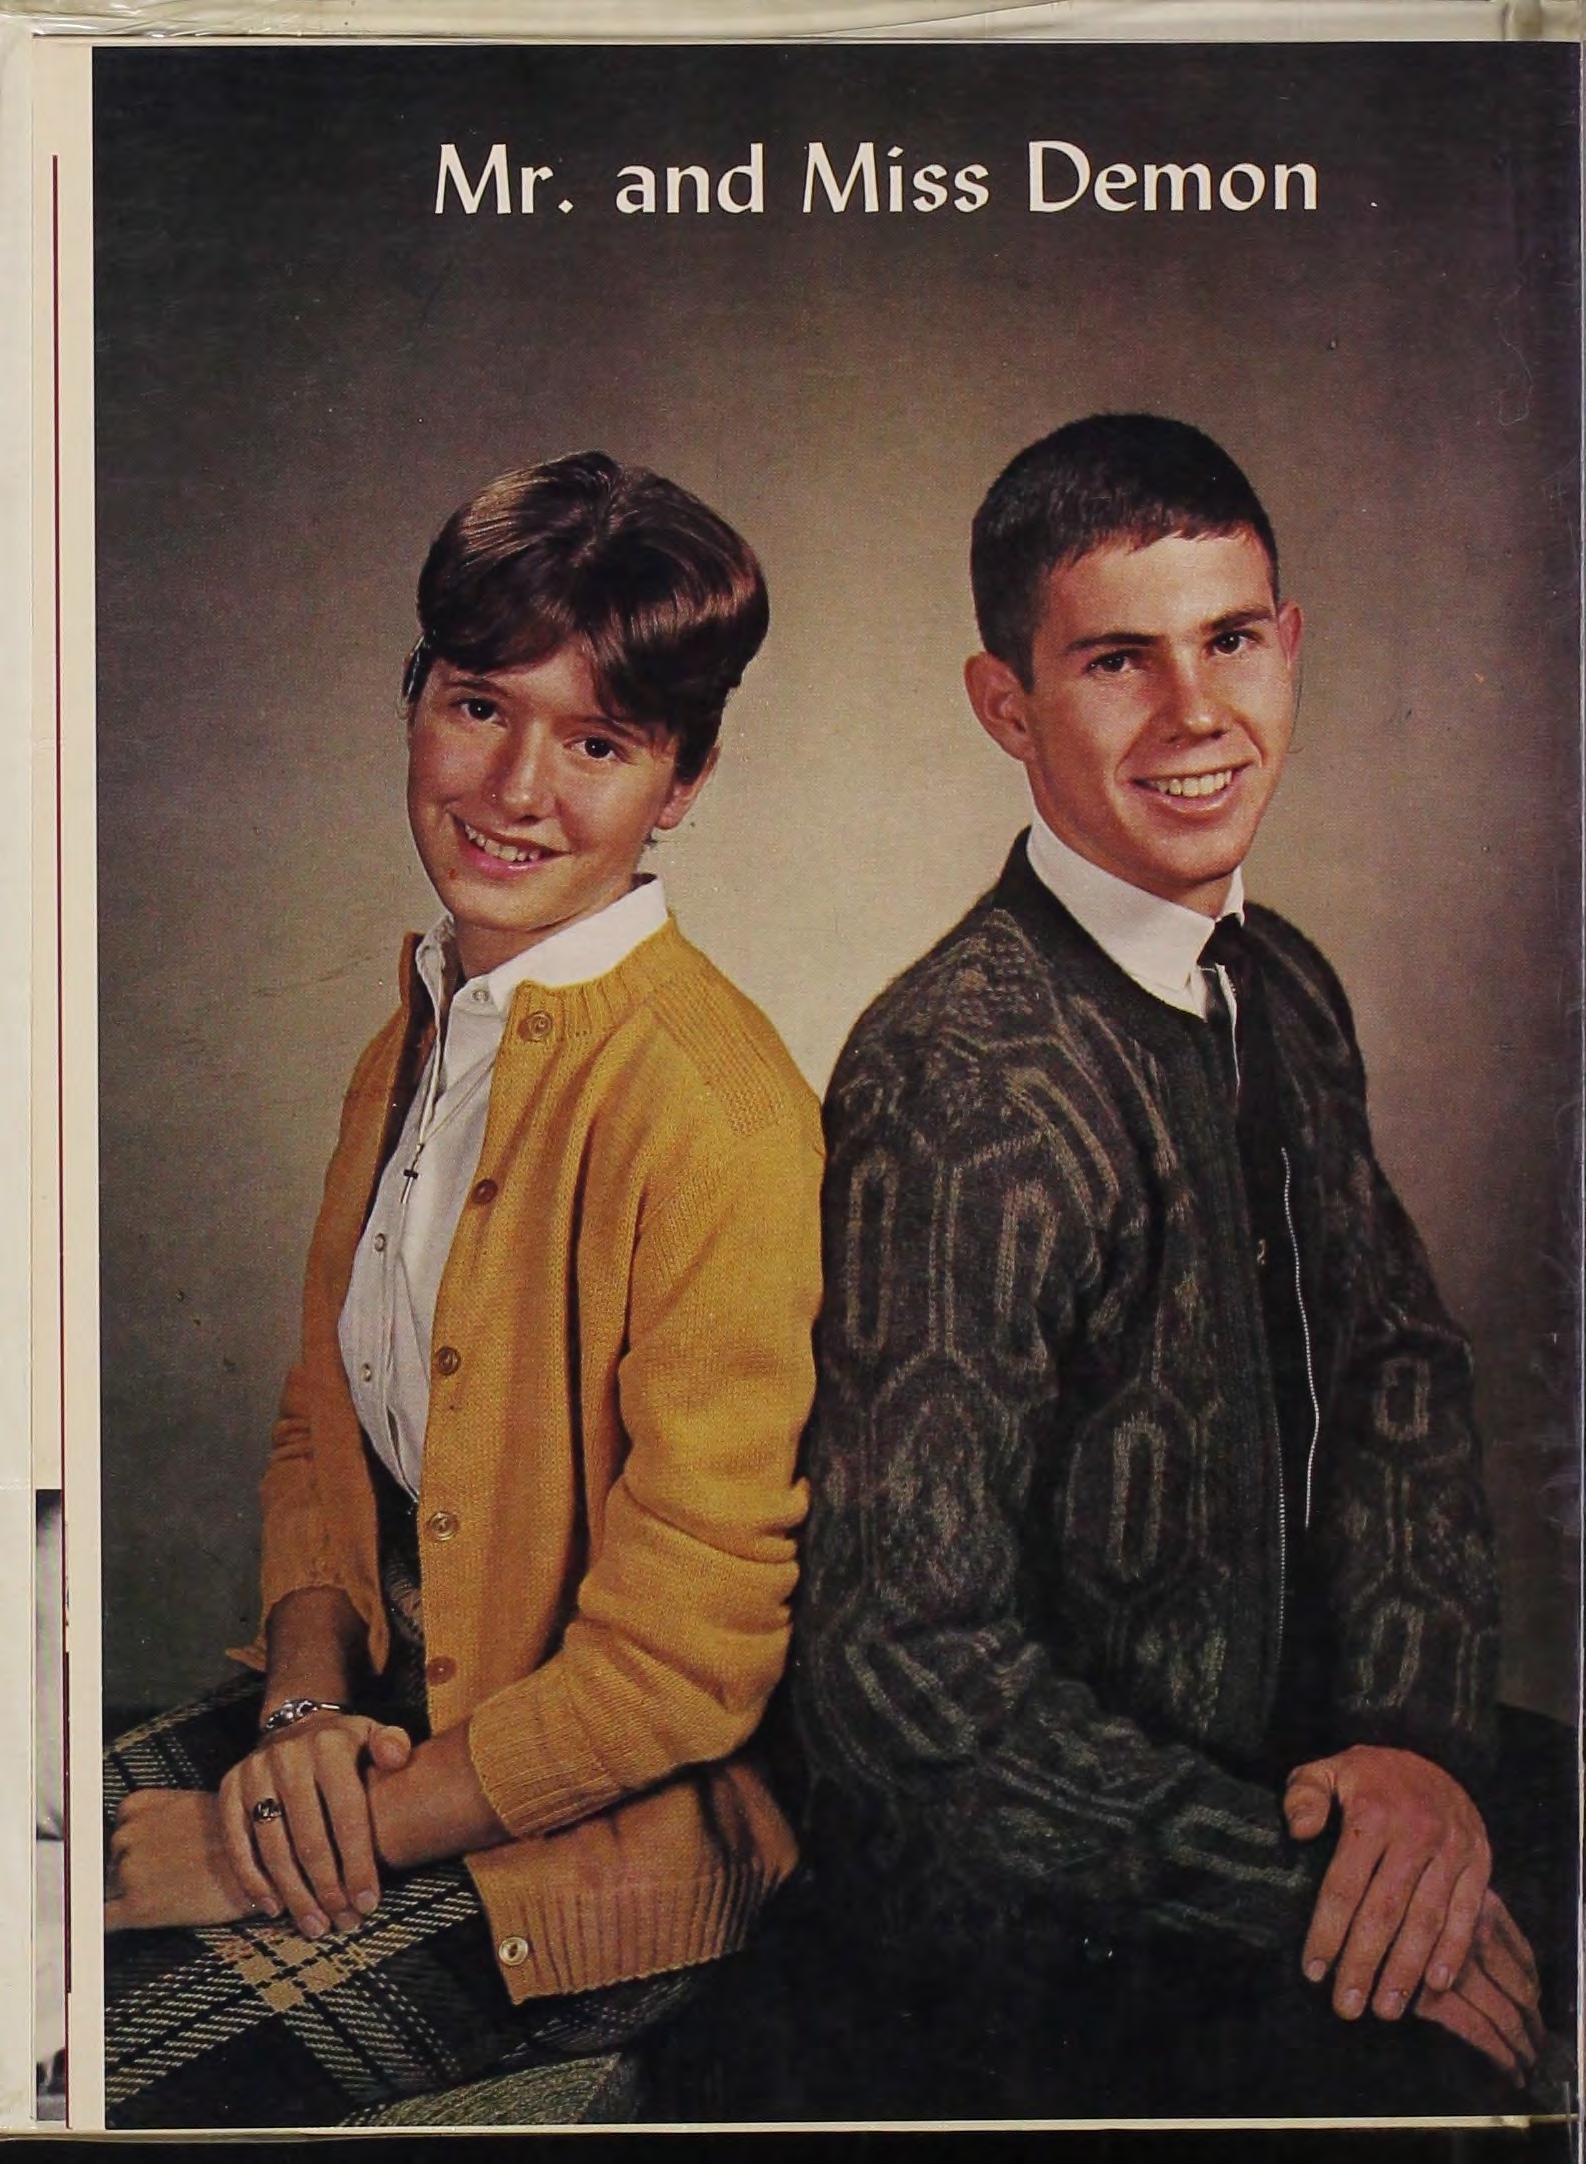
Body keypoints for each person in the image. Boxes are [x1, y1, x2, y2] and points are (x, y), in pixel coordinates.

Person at [791, 414, 1554, 2118]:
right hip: (1054, 1919)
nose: (1194, 712)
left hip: (1315, 1774)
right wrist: (1320, 1896)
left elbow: (1399, 1378)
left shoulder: (1283, 986)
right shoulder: (961, 1079)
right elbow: (901, 1667)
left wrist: (1413, 1757)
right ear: (1005, 706)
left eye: (1229, 640)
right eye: (1115, 660)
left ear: (1289, 645)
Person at [102, 452, 824, 2128]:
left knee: (68, 2053)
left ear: (685, 780)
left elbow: (686, 1667)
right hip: (377, 1719)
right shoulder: (417, 1033)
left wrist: (259, 1844)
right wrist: (301, 1713)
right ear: (415, 697)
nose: (513, 788)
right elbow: (320, 1434)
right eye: (478, 707)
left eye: (598, 743)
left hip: (594, 1841)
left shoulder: (712, 1112)